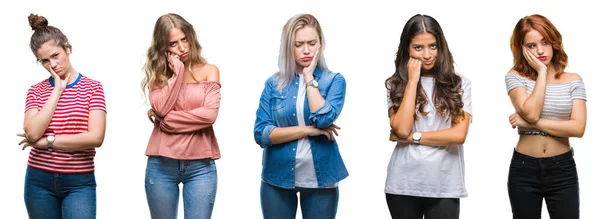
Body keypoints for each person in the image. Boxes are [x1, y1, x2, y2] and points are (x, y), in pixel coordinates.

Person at [253, 13, 348, 219]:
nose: (306, 50)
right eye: (298, 44)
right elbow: (262, 134)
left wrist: (309, 78)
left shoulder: (334, 81)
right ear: (289, 47)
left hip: (322, 181)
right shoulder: (274, 83)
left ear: (320, 45)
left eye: (312, 43)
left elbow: (323, 119)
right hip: (276, 178)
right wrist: (308, 130)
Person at [18, 13, 107, 219]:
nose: (52, 64)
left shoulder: (93, 88)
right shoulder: (35, 91)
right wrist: (57, 90)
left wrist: (46, 142)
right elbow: (32, 133)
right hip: (38, 182)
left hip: (79, 183)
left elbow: (95, 138)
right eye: (45, 61)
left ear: (67, 48)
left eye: (56, 55)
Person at [385, 14, 472, 219]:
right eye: (418, 47)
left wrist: (413, 138)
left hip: (445, 184)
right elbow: (403, 128)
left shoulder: (460, 84)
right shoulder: (395, 84)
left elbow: (459, 135)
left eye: (433, 46)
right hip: (402, 184)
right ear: (407, 48)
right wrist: (413, 81)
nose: (427, 54)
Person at [505, 14, 586, 219]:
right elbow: (531, 111)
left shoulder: (573, 80)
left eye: (544, 42)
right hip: (524, 168)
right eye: (531, 45)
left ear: (554, 42)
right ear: (521, 48)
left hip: (562, 169)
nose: (540, 51)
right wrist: (541, 72)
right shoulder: (515, 77)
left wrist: (531, 123)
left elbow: (578, 128)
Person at [141, 13, 221, 219]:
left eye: (184, 39)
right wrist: (177, 73)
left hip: (200, 166)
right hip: (161, 166)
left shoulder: (209, 70)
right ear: (163, 48)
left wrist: (167, 120)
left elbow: (209, 115)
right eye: (173, 43)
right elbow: (161, 107)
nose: (182, 47)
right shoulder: (158, 76)